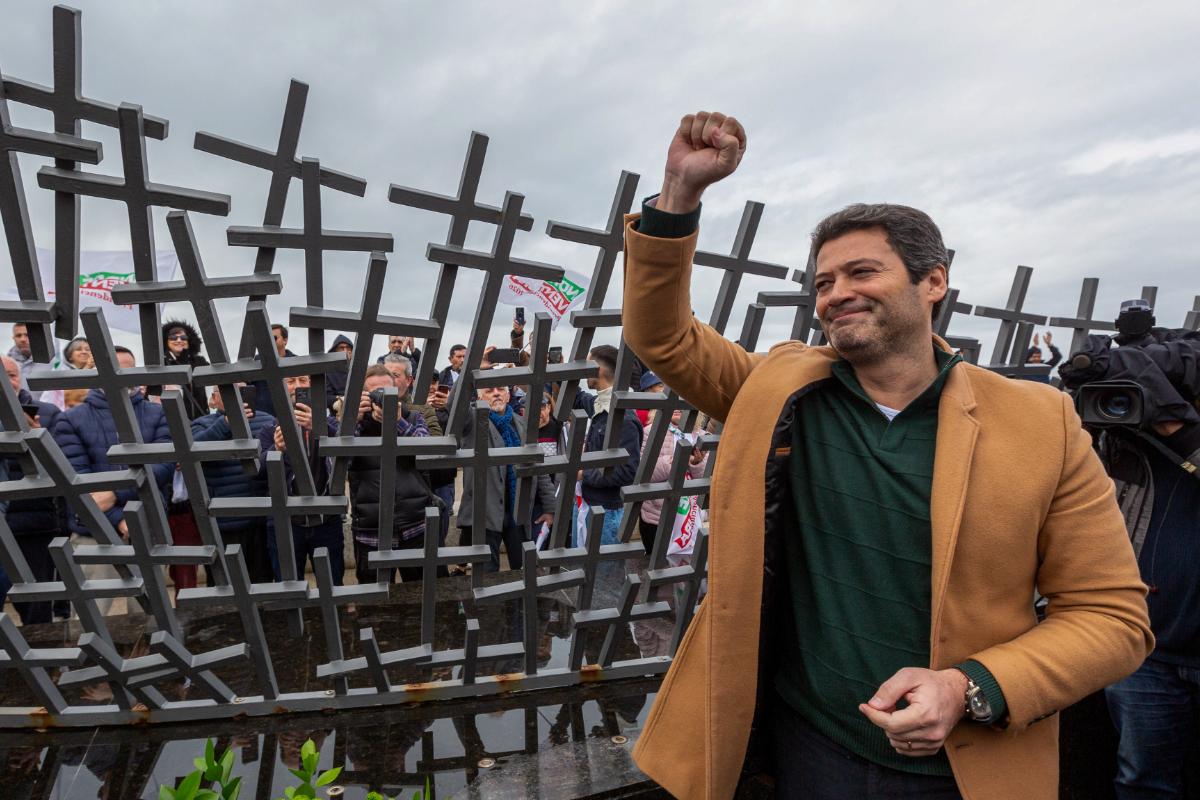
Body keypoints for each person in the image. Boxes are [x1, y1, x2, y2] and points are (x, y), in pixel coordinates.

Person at [622, 111, 1151, 800]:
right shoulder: (781, 388)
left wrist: (969, 687)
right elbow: (661, 337)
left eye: (862, 271)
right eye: (823, 282)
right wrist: (678, 194)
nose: (837, 293)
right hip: (805, 747)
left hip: (967, 769)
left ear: (933, 281)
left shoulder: (1038, 420)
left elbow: (1113, 617)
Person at [52, 346, 173, 616]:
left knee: (150, 618)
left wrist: (118, 495)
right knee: (92, 617)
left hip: (147, 525)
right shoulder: (71, 419)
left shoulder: (158, 414)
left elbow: (163, 466)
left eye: (127, 367)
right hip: (94, 530)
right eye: (114, 366)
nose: (120, 374)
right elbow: (76, 478)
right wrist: (120, 517)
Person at [257, 374, 346, 585]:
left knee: (332, 586)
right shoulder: (269, 429)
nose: (298, 386)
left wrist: (321, 429)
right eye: (290, 381)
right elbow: (258, 472)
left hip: (326, 520)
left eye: (303, 380)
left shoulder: (330, 423)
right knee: (287, 588)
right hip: (284, 521)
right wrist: (275, 449)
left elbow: (348, 458)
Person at [347, 364, 431, 584]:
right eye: (375, 393)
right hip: (370, 531)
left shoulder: (413, 417)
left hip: (415, 527)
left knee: (422, 597)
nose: (381, 398)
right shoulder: (352, 425)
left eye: (386, 392)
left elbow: (429, 455)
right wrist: (350, 424)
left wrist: (397, 422)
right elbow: (335, 467)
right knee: (374, 606)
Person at [457, 385, 555, 572]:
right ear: (478, 399)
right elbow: (454, 405)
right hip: (485, 515)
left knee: (523, 573)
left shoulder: (523, 424)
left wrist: (550, 507)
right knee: (487, 577)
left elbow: (538, 467)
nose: (496, 393)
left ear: (508, 395)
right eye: (488, 390)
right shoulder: (472, 422)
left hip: (518, 513)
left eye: (500, 389)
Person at [1, 356, 65, 624]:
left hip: (34, 527)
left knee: (37, 610)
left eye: (12, 375)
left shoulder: (47, 412)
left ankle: (45, 663)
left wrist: (36, 441)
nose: (7, 382)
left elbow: (62, 467)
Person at [191, 383, 276, 584]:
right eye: (229, 391)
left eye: (243, 391)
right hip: (224, 522)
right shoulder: (202, 424)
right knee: (225, 588)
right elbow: (194, 454)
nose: (237, 396)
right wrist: (227, 423)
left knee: (262, 585)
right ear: (215, 397)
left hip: (261, 520)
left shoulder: (267, 420)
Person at [572, 344, 643, 550]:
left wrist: (583, 474)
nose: (585, 370)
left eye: (587, 365)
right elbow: (576, 398)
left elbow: (626, 472)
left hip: (605, 513)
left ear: (598, 370)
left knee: (603, 580)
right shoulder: (600, 404)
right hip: (587, 505)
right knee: (582, 575)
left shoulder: (624, 417)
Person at [636, 371, 707, 560]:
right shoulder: (649, 433)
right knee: (657, 574)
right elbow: (641, 475)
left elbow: (706, 481)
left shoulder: (701, 436)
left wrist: (696, 463)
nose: (677, 405)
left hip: (691, 519)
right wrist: (673, 462)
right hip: (657, 517)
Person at [382, 353, 442, 435]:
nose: (388, 380)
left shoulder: (424, 409)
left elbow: (435, 443)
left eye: (395, 376)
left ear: (408, 380)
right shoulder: (370, 402)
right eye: (385, 375)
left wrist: (401, 423)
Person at [161, 320, 211, 420]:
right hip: (173, 420)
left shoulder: (198, 361)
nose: (179, 340)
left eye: (183, 337)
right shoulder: (162, 363)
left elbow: (216, 376)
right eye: (173, 337)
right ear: (165, 341)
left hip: (199, 419)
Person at [251, 324, 295, 418]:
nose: (269, 341)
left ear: (285, 340)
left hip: (291, 416)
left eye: (274, 338)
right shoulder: (255, 362)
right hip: (262, 417)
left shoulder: (296, 362)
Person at [7, 323, 53, 400]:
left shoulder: (52, 363)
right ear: (13, 338)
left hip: (43, 409)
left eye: (27, 335)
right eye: (18, 335)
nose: (22, 339)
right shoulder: (5, 364)